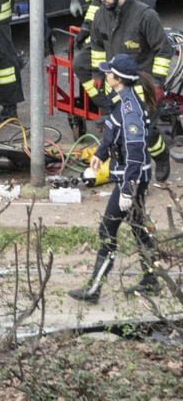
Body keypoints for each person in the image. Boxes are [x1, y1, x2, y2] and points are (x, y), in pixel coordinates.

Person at [68, 54, 159, 302]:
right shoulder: (120, 101)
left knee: (107, 230)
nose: (105, 75)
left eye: (108, 72)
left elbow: (136, 150)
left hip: (132, 178)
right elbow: (112, 131)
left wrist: (128, 189)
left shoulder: (130, 108)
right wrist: (100, 152)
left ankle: (93, 289)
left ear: (117, 79)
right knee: (139, 228)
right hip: (129, 176)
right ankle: (151, 279)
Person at [74, 0, 173, 182]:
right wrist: (98, 75)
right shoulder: (102, 15)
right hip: (117, 87)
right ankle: (128, 175)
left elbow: (163, 50)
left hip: (143, 85)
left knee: (144, 133)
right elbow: (98, 46)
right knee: (120, 132)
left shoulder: (145, 16)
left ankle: (162, 156)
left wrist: (157, 83)